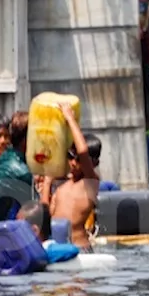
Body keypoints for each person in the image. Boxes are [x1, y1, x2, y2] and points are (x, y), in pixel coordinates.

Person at [47, 104, 102, 251]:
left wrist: (71, 120)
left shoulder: (90, 183)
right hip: (58, 247)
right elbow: (47, 216)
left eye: (78, 159)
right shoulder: (61, 188)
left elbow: (83, 151)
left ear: (94, 163)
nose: (72, 163)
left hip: (79, 248)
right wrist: (46, 183)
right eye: (70, 157)